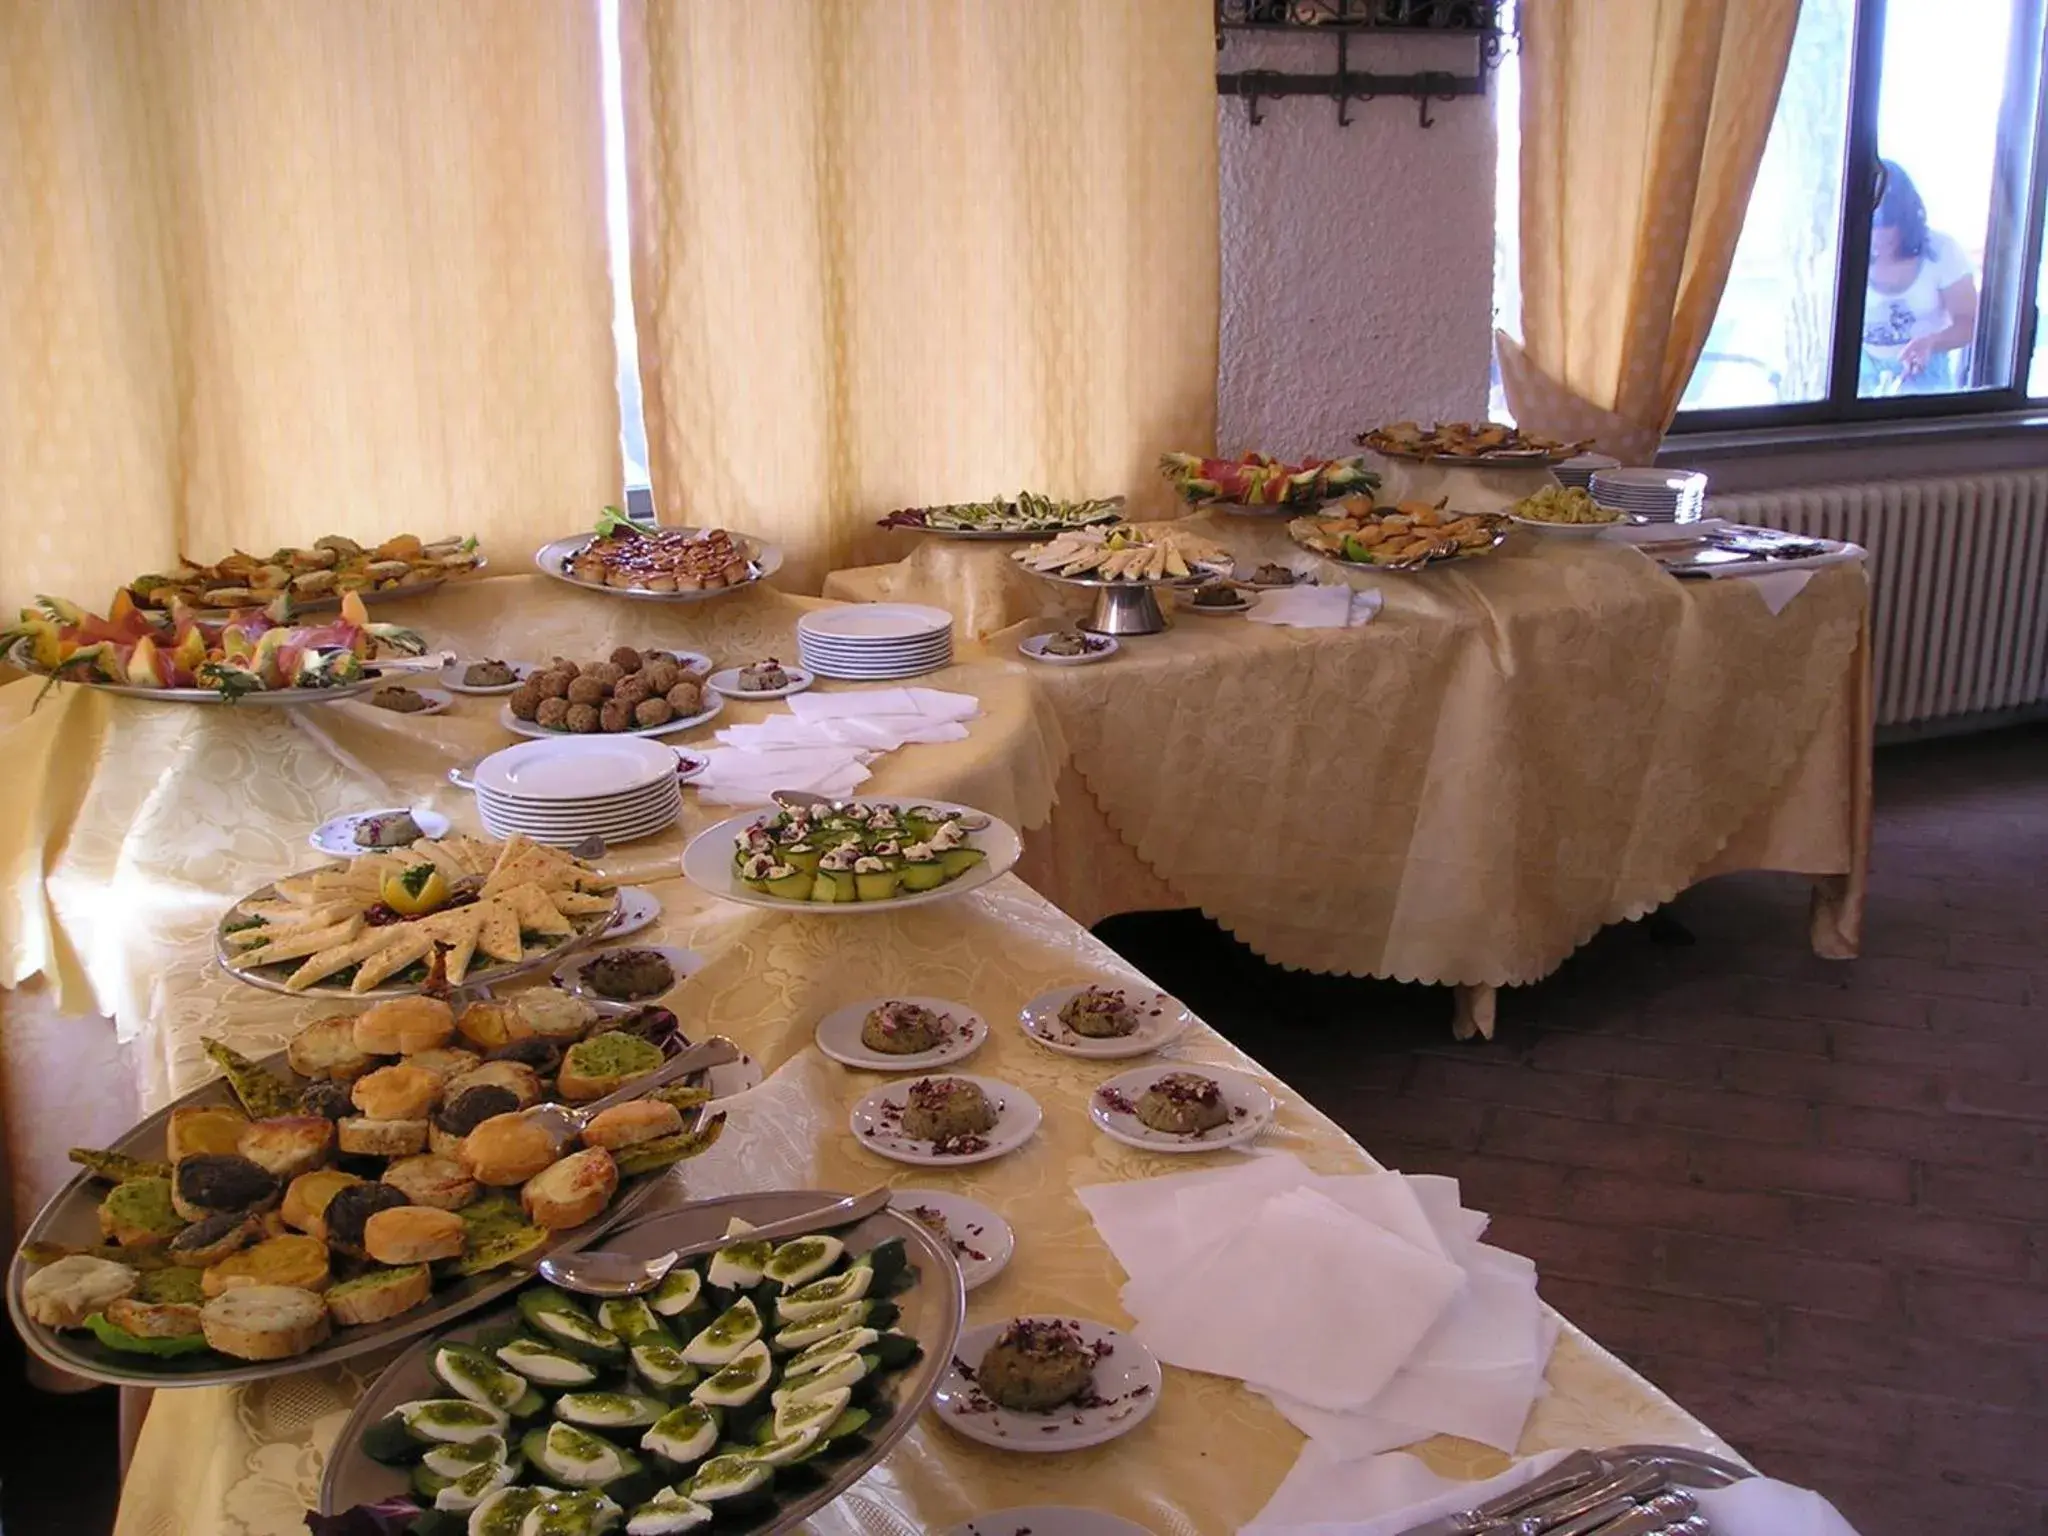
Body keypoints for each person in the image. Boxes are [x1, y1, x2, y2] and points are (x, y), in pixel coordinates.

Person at [1860, 159, 1979, 395]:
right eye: (1870, 227)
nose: (1878, 238)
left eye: (1888, 231)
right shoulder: (1838, 252)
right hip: (1859, 370)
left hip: (1927, 370)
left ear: (1906, 221)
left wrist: (1932, 342)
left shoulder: (1942, 251)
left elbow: (1970, 323)